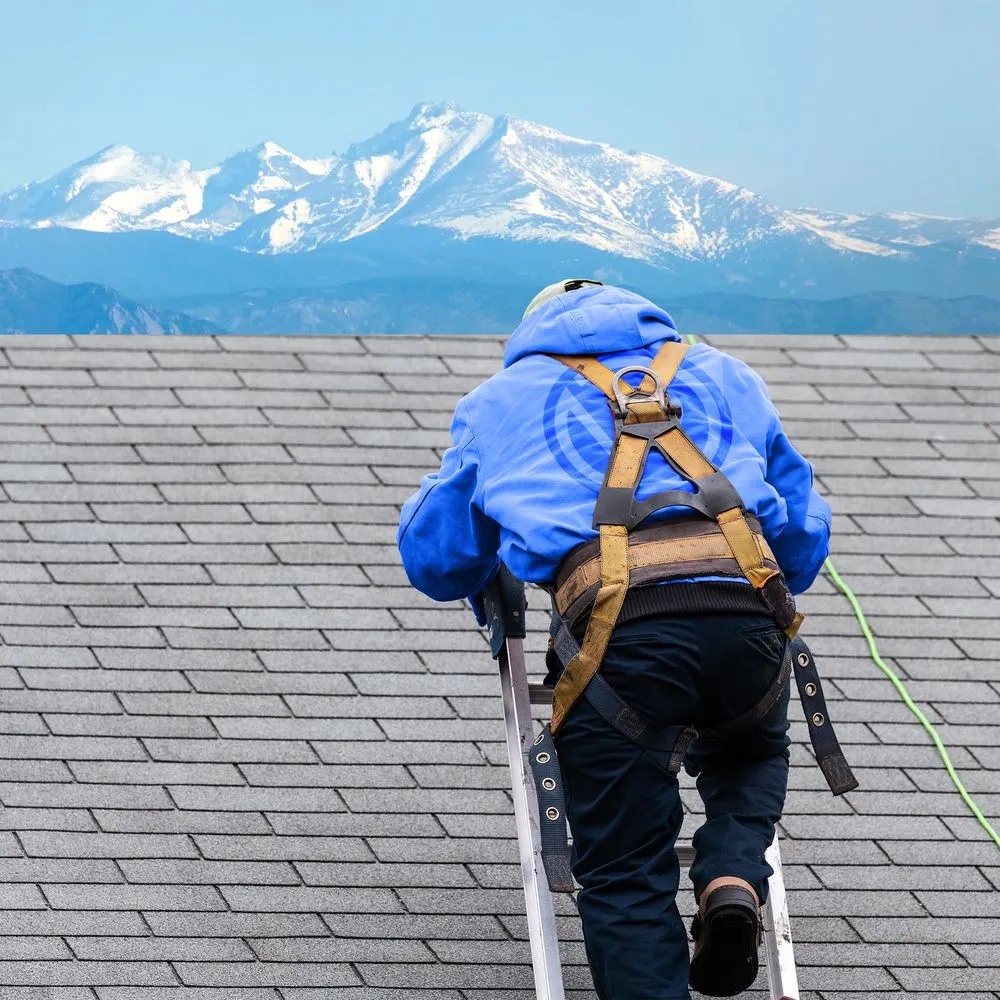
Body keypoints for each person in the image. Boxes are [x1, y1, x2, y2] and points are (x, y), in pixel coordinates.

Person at [397, 280, 831, 1000]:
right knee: (749, 749)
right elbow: (801, 542)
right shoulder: (724, 373)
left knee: (626, 873)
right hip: (747, 618)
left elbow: (437, 561)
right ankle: (731, 875)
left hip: (619, 641)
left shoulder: (500, 401)